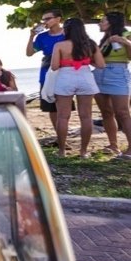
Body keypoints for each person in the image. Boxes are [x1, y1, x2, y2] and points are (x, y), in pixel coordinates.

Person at [50, 18, 105, 158]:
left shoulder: (60, 45)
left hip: (65, 77)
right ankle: (83, 152)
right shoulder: (90, 44)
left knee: (63, 116)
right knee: (86, 116)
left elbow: (54, 66)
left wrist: (67, 61)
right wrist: (85, 60)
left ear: (67, 30)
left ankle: (61, 151)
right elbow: (101, 65)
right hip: (85, 76)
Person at [93, 11, 131, 159]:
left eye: (102, 21)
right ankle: (113, 145)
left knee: (122, 112)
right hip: (99, 72)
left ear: (111, 23)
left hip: (117, 73)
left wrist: (125, 42)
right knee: (106, 112)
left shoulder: (125, 34)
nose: (99, 23)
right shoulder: (104, 38)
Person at [27, 9, 66, 134]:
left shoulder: (68, 34)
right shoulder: (41, 37)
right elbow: (29, 53)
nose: (45, 22)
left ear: (58, 19)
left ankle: (64, 133)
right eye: (43, 19)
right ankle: (59, 136)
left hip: (65, 72)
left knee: (64, 108)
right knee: (52, 108)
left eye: (48, 18)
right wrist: (31, 36)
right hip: (47, 73)